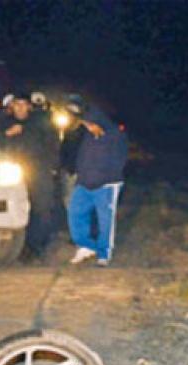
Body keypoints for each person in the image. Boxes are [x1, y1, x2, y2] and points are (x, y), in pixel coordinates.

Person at [0, 92, 59, 259]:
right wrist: (6, 135)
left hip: (38, 170)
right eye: (16, 105)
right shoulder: (2, 123)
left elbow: (52, 145)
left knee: (41, 208)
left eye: (23, 104)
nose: (19, 108)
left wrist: (52, 167)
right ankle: (18, 246)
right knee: (14, 208)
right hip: (10, 173)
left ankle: (36, 246)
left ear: (29, 106)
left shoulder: (40, 123)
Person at [60, 98, 128, 266]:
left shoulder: (114, 136)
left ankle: (104, 254)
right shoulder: (87, 136)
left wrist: (107, 177)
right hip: (84, 183)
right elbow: (78, 155)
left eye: (90, 124)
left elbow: (120, 160)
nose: (87, 127)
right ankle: (86, 246)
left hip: (106, 184)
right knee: (75, 213)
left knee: (105, 220)